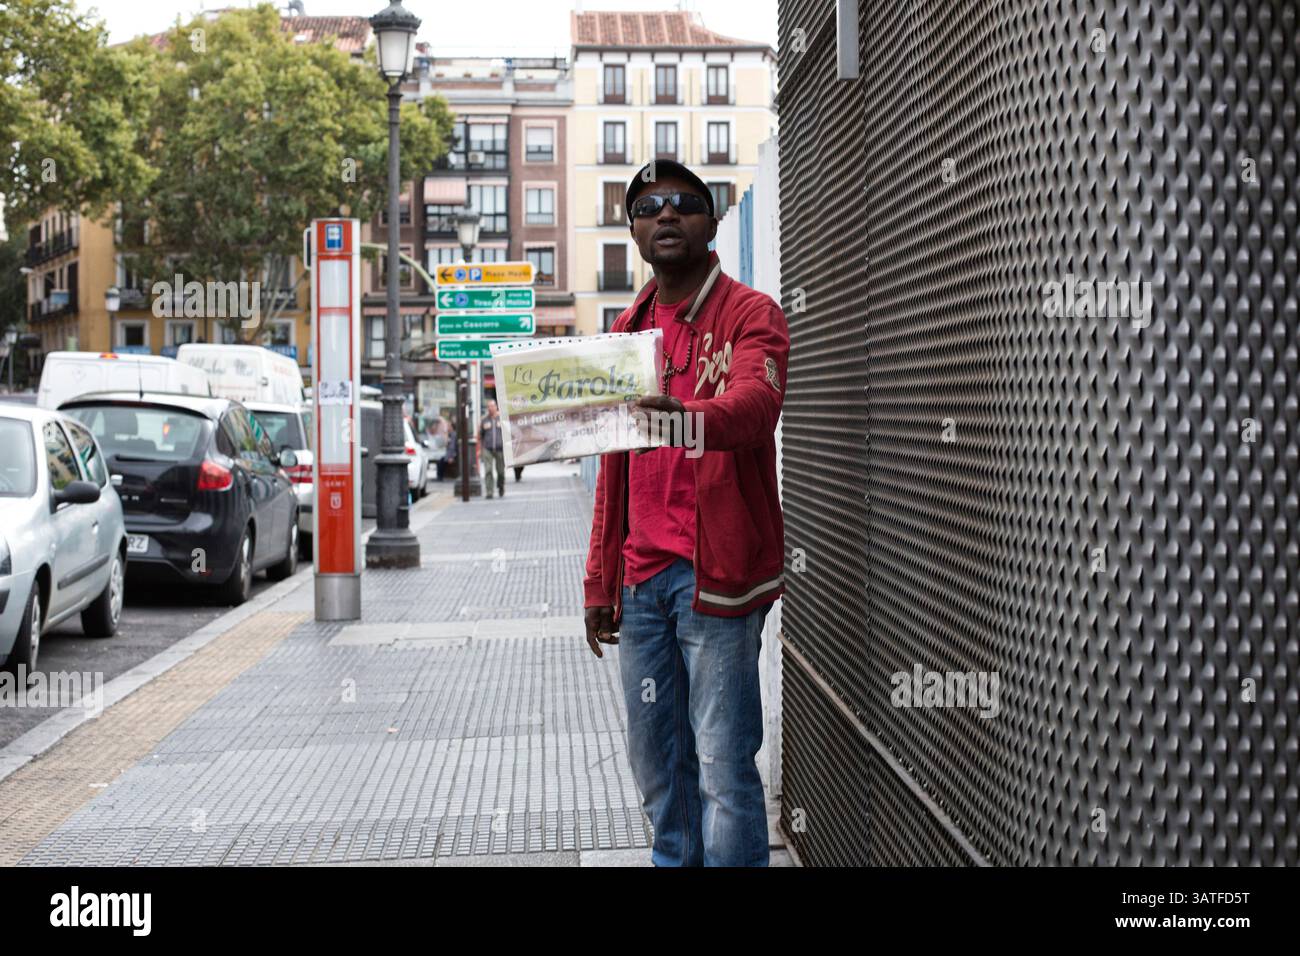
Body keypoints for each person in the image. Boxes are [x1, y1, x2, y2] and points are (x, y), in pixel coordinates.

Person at [582, 160, 789, 867]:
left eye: (683, 204)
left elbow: (756, 409)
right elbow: (611, 465)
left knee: (723, 766)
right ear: (633, 230)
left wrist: (686, 420)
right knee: (656, 764)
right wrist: (599, 581)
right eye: (647, 207)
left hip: (718, 582)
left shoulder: (750, 314)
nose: (664, 215)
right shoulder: (627, 329)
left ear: (712, 221)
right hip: (642, 587)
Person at [479, 400, 506, 498]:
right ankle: (489, 491)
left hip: (500, 448)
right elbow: (480, 435)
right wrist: (480, 450)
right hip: (487, 449)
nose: (490, 408)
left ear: (496, 407)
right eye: (489, 406)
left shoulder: (502, 418)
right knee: (488, 470)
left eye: (492, 406)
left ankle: (501, 486)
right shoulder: (484, 420)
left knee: (501, 471)